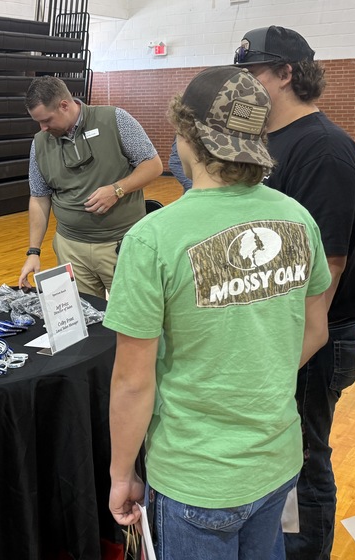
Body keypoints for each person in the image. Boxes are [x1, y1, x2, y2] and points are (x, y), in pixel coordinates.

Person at [105, 66, 331, 560]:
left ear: (186, 135)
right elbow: (315, 330)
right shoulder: (297, 218)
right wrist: (257, 377)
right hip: (277, 459)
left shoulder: (152, 238)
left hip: (196, 475)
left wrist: (121, 475)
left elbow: (132, 382)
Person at [234, 25, 355, 560]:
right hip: (279, 332)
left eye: (252, 74)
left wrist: (295, 349)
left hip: (315, 337)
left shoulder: (323, 149)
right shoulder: (267, 141)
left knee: (305, 461)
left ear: (286, 73)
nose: (242, 85)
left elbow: (327, 264)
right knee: (282, 459)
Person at [18, 76, 162, 297]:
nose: (43, 128)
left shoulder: (115, 119)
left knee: (133, 313)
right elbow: (39, 197)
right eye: (38, 122)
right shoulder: (39, 143)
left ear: (64, 105)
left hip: (122, 244)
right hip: (70, 249)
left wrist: (117, 190)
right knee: (84, 315)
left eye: (47, 120)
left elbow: (153, 165)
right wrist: (33, 251)